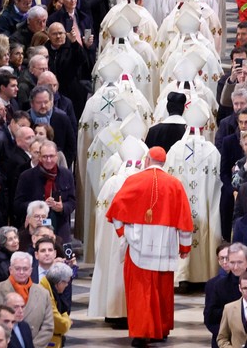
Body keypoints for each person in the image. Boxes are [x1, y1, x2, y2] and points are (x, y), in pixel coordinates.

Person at [106, 146, 193, 347]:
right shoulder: (175, 184)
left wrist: (123, 233)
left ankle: (141, 333)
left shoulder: (134, 181)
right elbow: (185, 219)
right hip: (166, 244)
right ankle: (160, 330)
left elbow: (116, 211)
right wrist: (184, 246)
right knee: (163, 290)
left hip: (138, 244)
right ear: (164, 163)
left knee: (140, 291)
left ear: (147, 160)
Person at [0, 252, 53, 347]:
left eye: (25, 269)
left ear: (31, 270)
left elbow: (48, 326)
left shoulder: (43, 293)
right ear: (10, 269)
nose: (21, 272)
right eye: (17, 268)